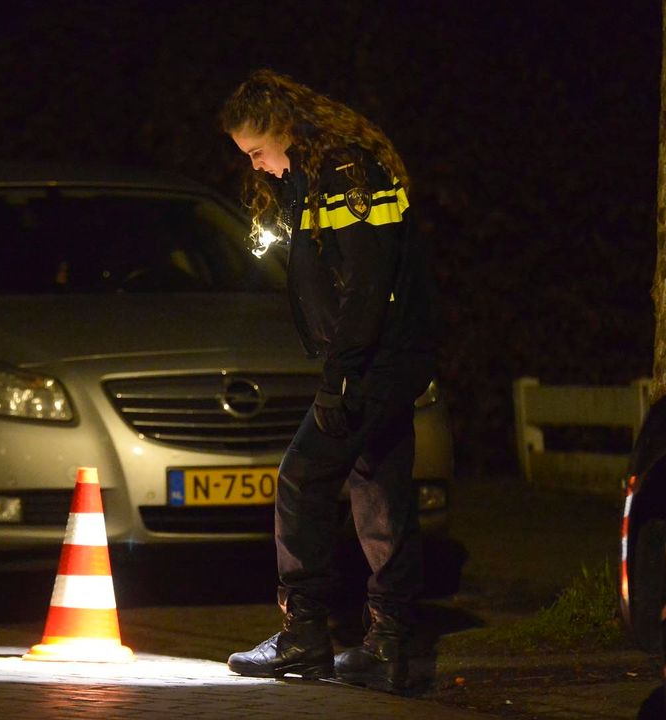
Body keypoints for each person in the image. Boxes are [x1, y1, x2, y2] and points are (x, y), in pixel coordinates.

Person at [220, 69, 438, 694]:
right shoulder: (321, 173)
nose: (257, 167)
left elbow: (367, 284)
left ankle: (304, 638)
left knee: (300, 478)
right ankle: (389, 649)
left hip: (373, 360)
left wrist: (341, 374)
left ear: (284, 128)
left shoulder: (344, 173)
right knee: (381, 490)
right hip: (386, 355)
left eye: (258, 152)